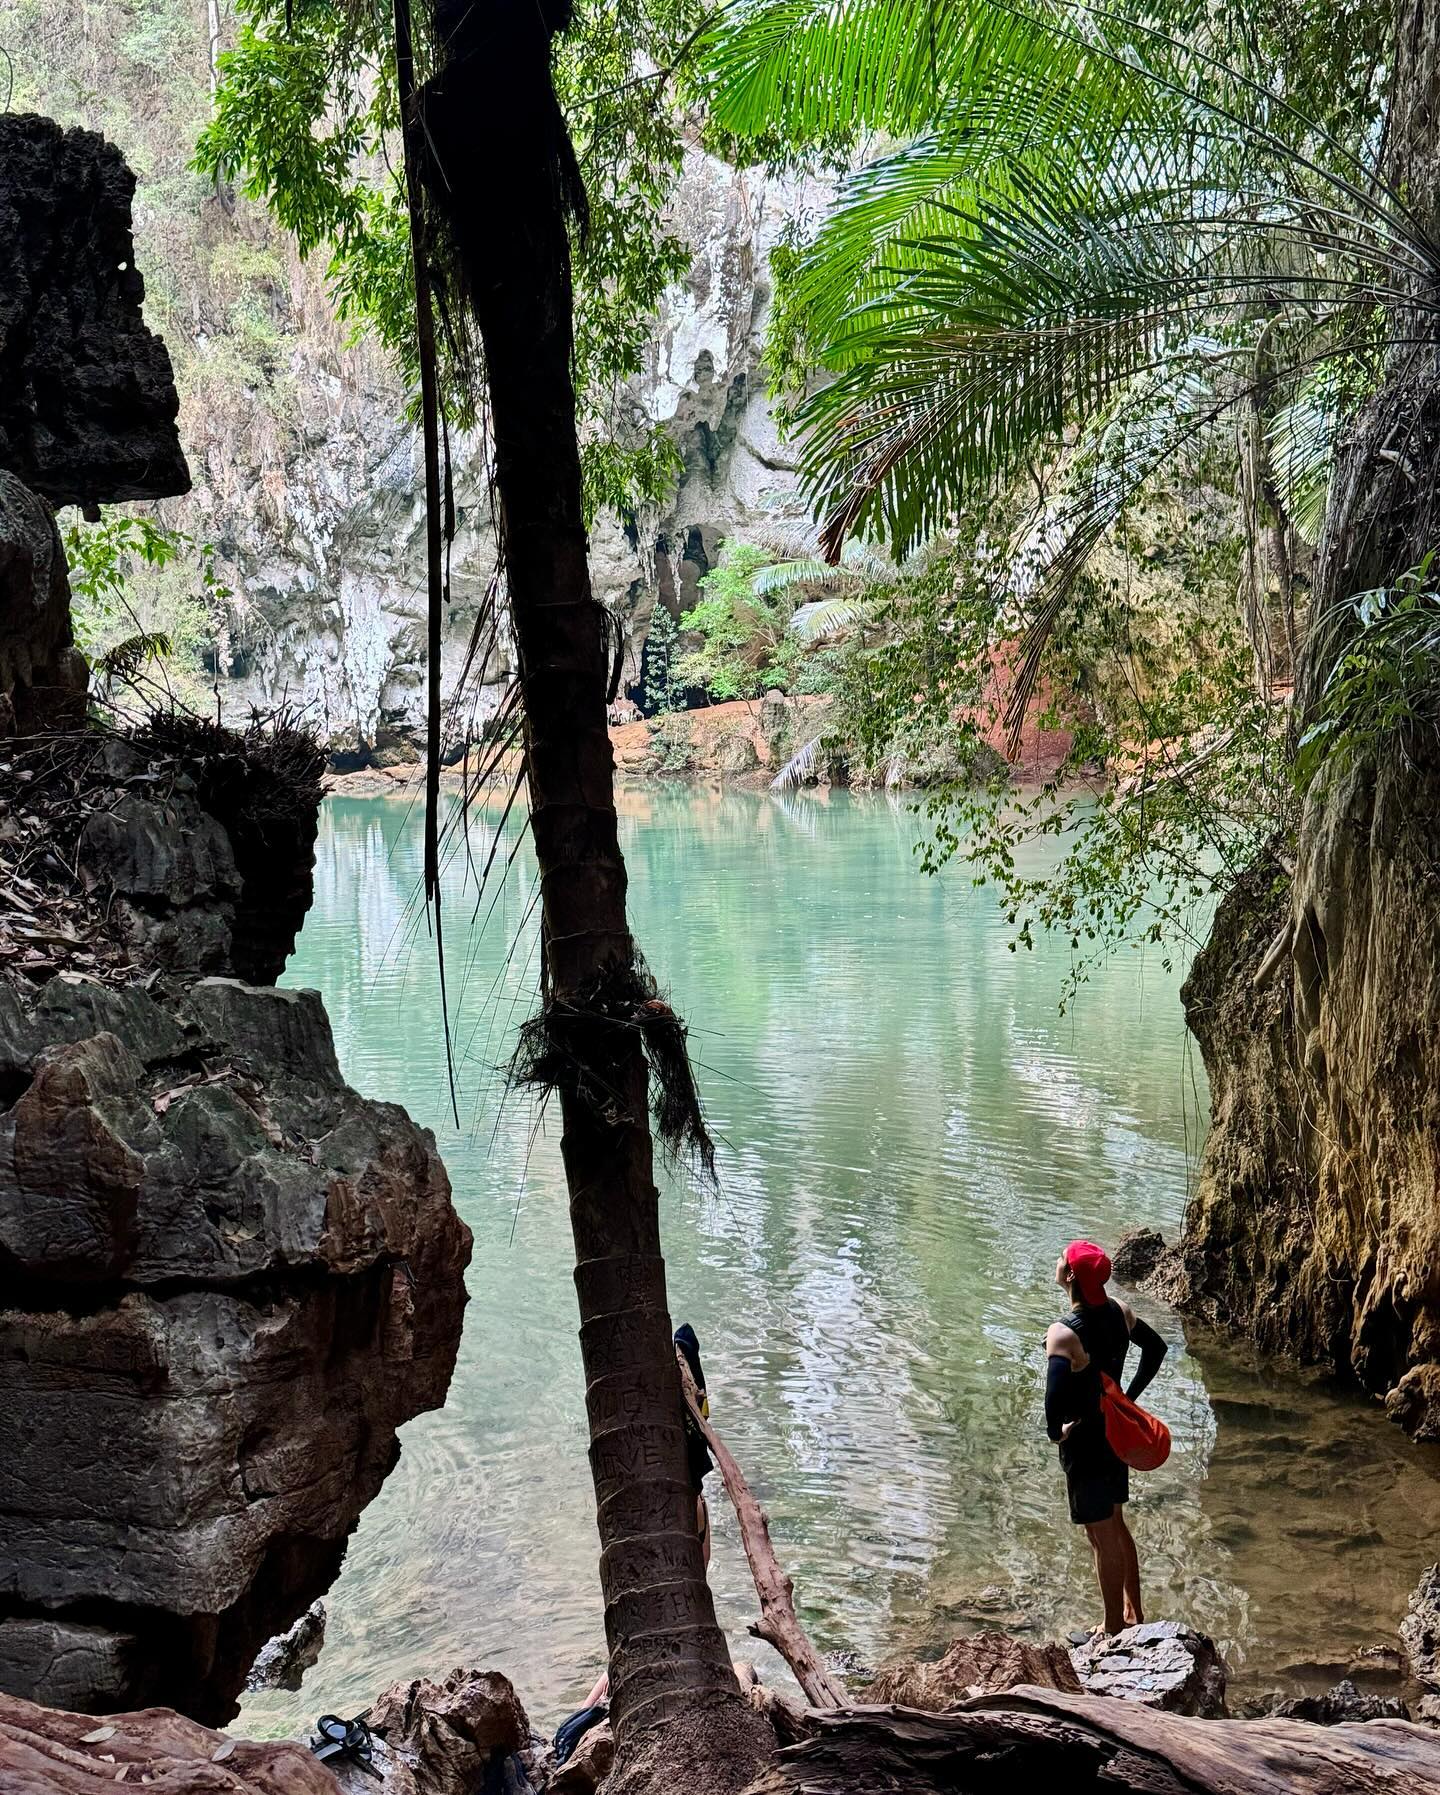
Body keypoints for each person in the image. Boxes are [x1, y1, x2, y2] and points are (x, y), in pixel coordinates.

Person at [565, 1321, 715, 1733]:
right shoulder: (689, 1406)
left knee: (633, 1645)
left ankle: (585, 1711)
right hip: (687, 1508)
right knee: (638, 1644)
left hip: (669, 1512)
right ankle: (586, 1711)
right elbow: (704, 1562)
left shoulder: (662, 1406)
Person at [1045, 1239, 1167, 1638]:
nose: (1058, 1261)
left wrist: (1055, 1433)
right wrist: (1127, 1398)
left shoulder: (1063, 1335)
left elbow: (1055, 1399)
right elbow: (1156, 1348)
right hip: (1115, 1435)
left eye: (1063, 1258)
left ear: (1071, 1276)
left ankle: (1112, 1626)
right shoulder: (1121, 1313)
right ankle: (1135, 1611)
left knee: (1100, 1538)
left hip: (1085, 1441)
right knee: (1116, 1523)